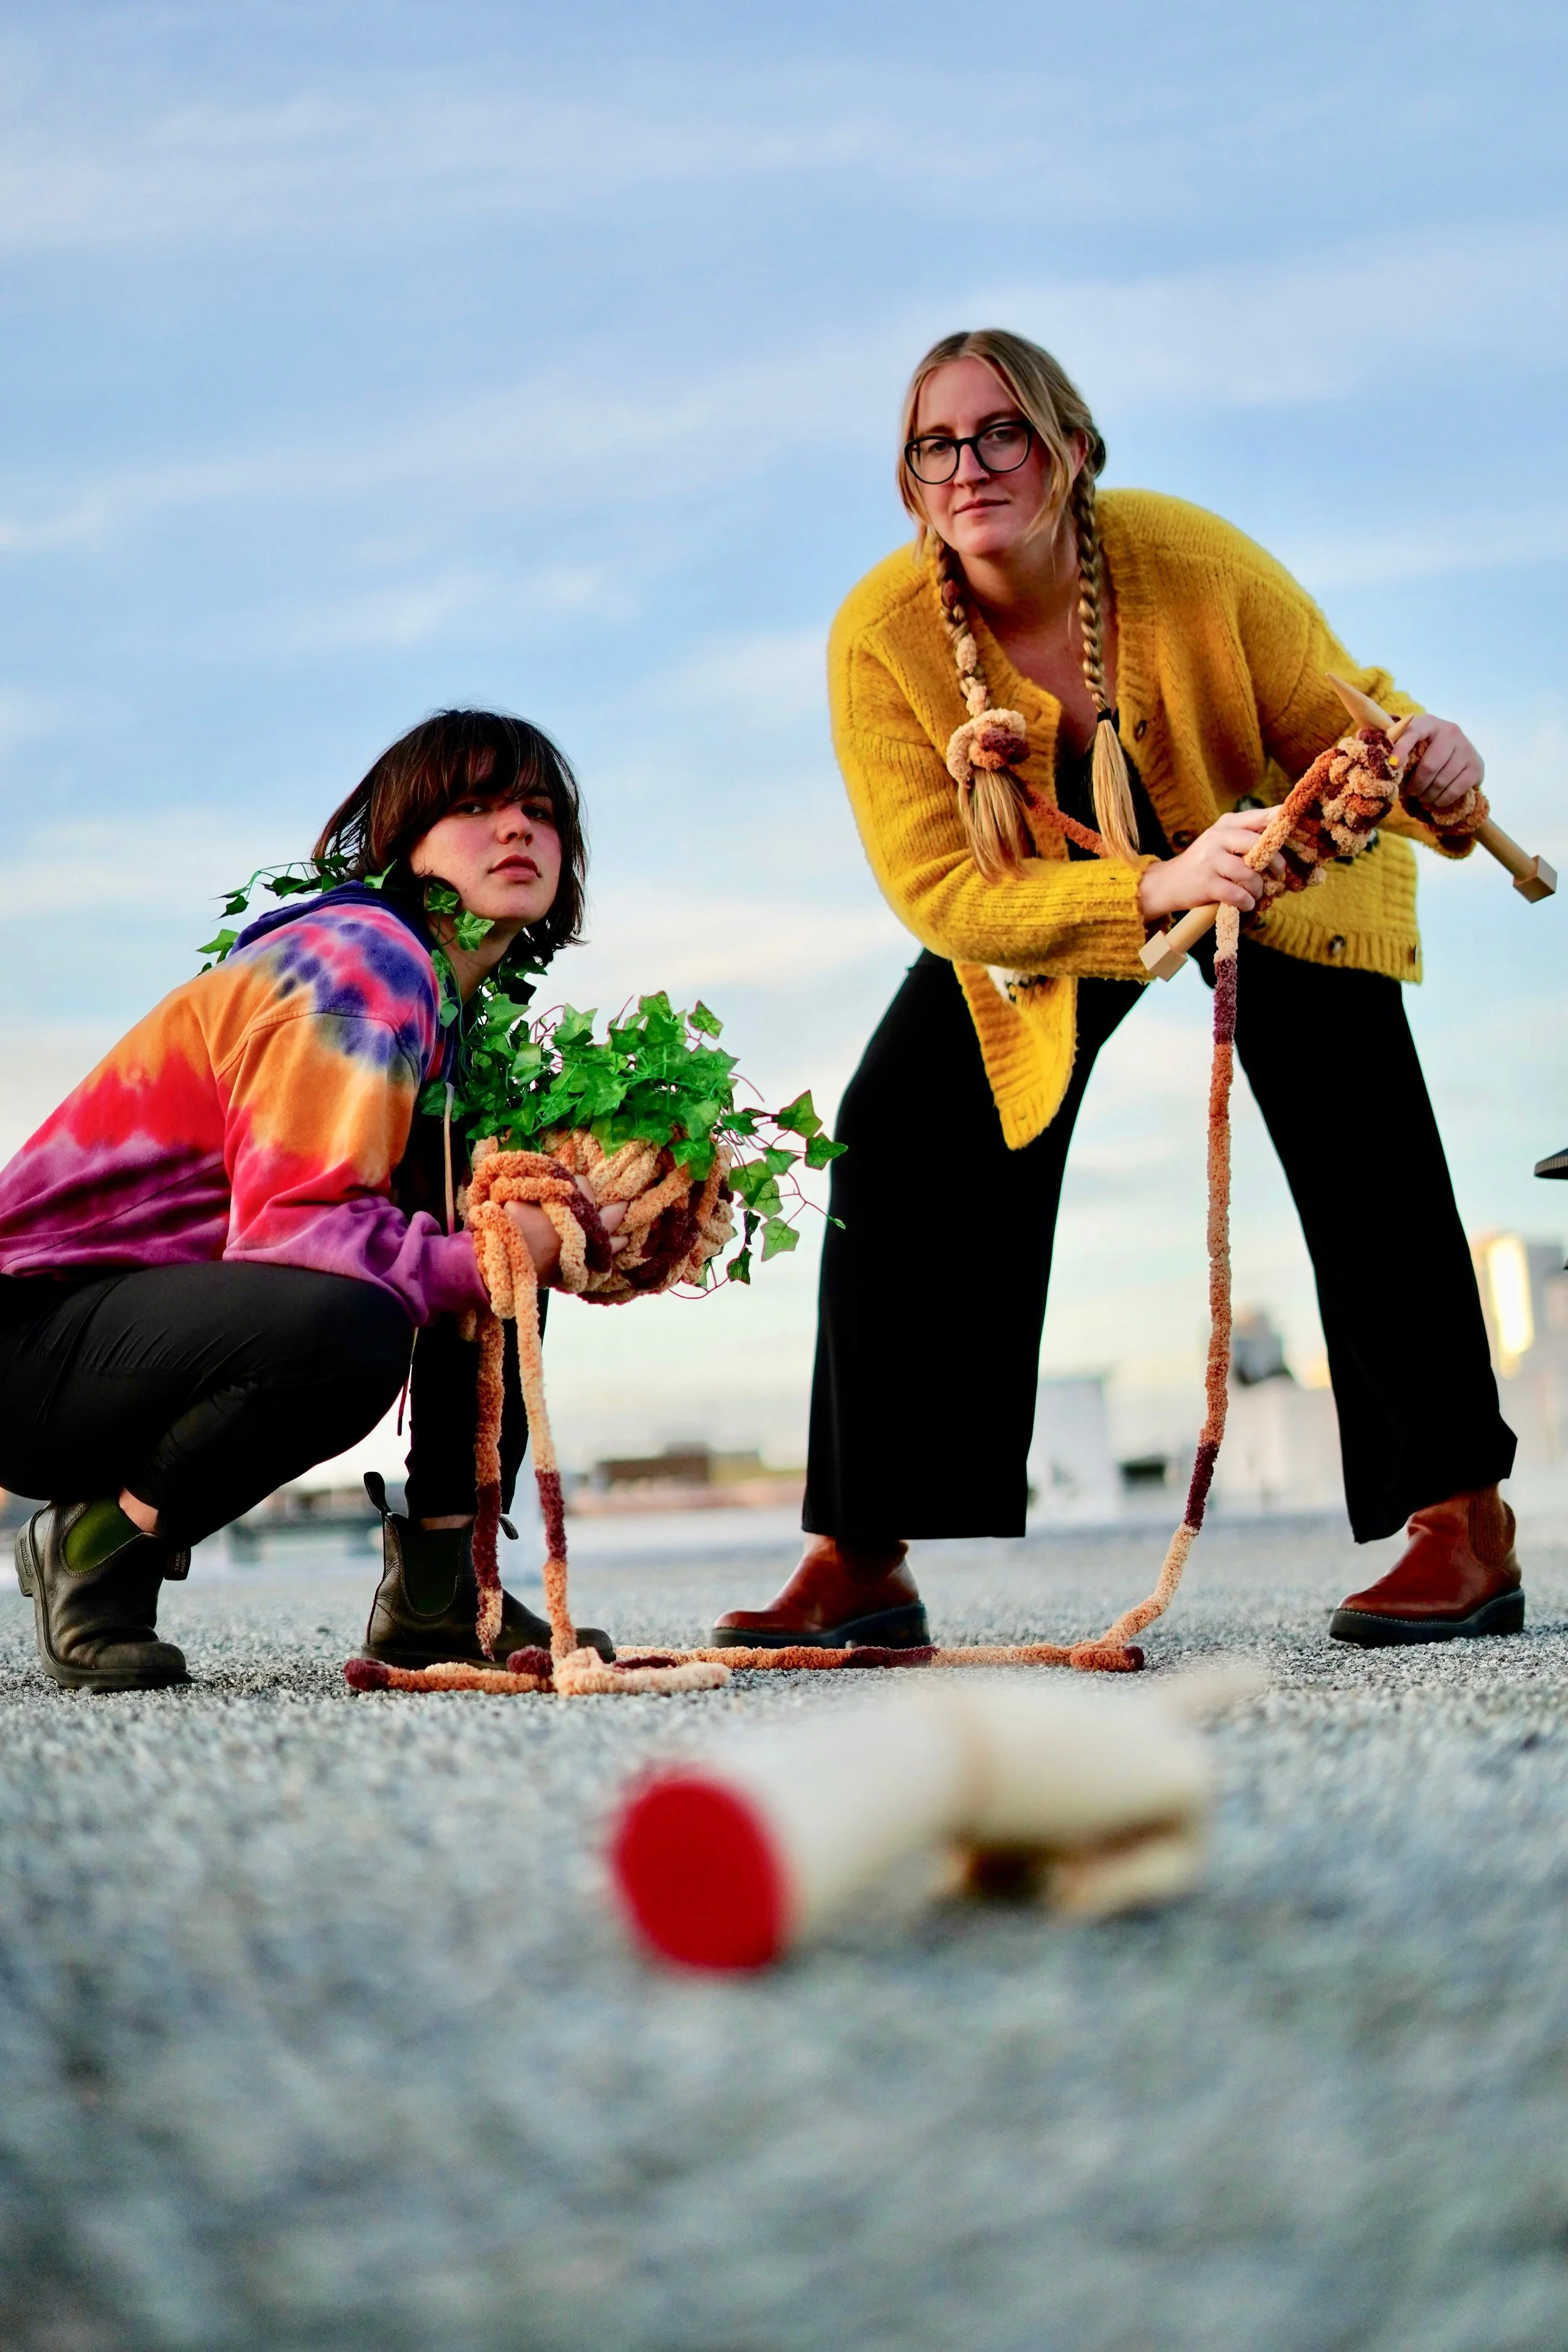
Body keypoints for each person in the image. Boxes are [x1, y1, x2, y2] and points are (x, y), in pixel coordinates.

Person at [712, 327, 1520, 1656]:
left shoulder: (1185, 561)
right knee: (899, 1124)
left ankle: (1459, 1519)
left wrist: (1434, 758)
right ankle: (859, 1558)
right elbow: (937, 891)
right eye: (935, 444)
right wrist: (1149, 891)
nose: (966, 463)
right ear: (909, 481)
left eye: (999, 433)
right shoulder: (881, 637)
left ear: (1069, 448)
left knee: (1347, 1102)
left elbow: (1349, 720)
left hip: (1265, 850)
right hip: (1046, 901)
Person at [0, 709, 619, 1690]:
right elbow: (297, 1233)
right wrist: (507, 1250)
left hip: (127, 1333)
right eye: (474, 805)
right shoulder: (365, 966)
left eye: (538, 811)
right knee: (354, 1321)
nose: (515, 828)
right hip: (27, 1339)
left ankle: (440, 1588)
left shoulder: (440, 1004)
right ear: (404, 846)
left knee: (490, 1206)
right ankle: (96, 1545)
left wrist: (542, 1231)